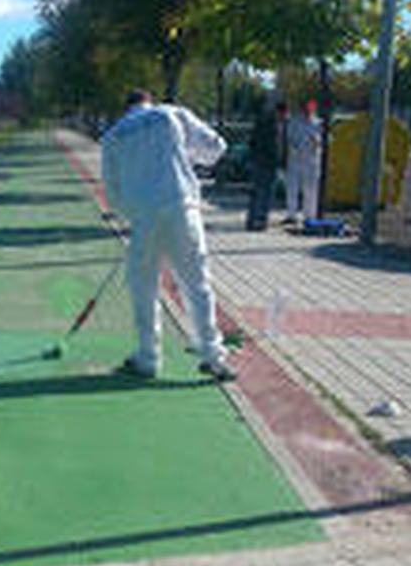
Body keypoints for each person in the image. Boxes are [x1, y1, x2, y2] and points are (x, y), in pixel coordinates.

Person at [100, 90, 237, 382]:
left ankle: (148, 357)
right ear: (148, 102)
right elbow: (215, 148)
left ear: (126, 110)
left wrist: (134, 216)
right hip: (182, 207)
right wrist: (182, 156)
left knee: (143, 287)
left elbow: (112, 193)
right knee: (196, 284)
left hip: (144, 218)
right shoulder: (171, 114)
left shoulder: (113, 136)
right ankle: (213, 357)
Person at [245, 101, 288, 231]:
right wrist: (278, 159)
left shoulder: (262, 121)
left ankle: (253, 220)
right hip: (268, 162)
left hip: (258, 161)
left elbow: (252, 141)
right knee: (266, 192)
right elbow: (273, 145)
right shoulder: (272, 125)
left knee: (256, 192)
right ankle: (260, 220)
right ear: (281, 112)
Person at [285, 99, 322, 224]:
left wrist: (317, 142)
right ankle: (291, 215)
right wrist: (296, 147)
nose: (307, 112)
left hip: (312, 160)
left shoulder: (318, 123)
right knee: (292, 187)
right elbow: (290, 139)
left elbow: (325, 140)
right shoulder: (295, 122)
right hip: (296, 159)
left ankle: (310, 216)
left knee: (310, 189)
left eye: (310, 109)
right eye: (305, 109)